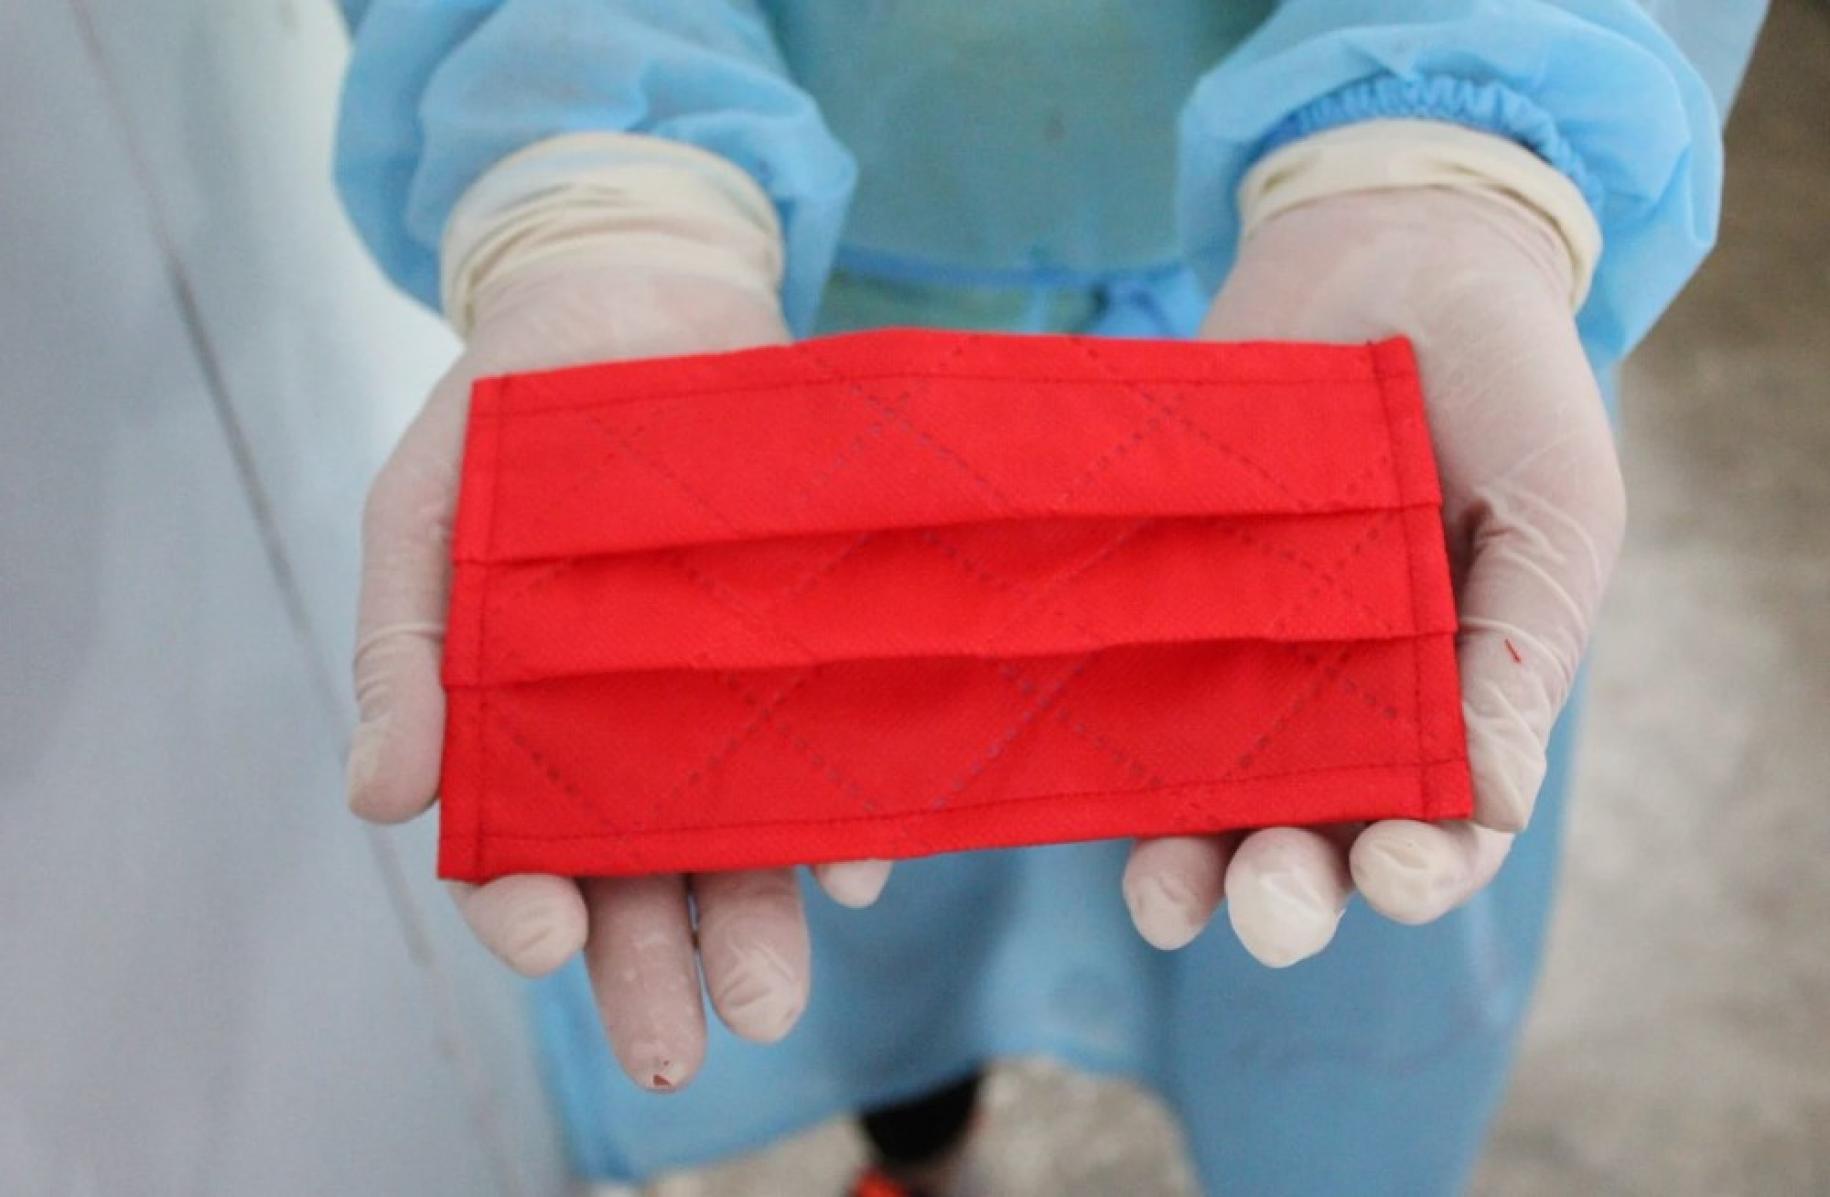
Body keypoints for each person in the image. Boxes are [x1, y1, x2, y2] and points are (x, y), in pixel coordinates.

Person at [333, 3, 1765, 1194]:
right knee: (852, 889)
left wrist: (1453, 161)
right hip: (791, 347)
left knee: (1341, 939)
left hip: (1343, 323)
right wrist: (598, 178)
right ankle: (918, 1144)